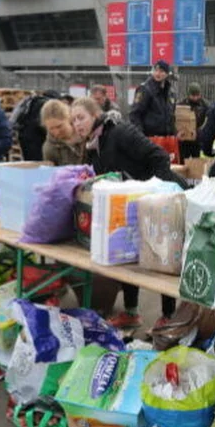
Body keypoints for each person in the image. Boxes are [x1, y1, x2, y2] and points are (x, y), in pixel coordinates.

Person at [71, 97, 182, 329]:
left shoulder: (120, 132)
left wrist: (156, 194)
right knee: (128, 256)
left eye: (80, 117)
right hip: (131, 207)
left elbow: (160, 157)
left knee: (162, 256)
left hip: (160, 202)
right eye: (73, 121)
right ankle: (131, 313)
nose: (77, 124)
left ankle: (169, 316)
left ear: (95, 114)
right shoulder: (93, 146)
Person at [11, 90, 65, 162]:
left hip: (25, 136)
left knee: (30, 163)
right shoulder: (45, 105)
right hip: (35, 140)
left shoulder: (34, 101)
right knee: (38, 164)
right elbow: (43, 125)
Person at [130, 59, 176, 138]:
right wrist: (140, 136)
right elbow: (135, 114)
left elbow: (171, 116)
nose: (158, 73)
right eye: (156, 70)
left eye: (161, 71)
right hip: (149, 138)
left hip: (167, 138)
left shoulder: (170, 93)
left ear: (167, 74)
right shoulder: (145, 89)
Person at [40, 99, 85, 166]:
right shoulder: (49, 149)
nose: (56, 132)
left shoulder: (87, 135)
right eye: (51, 128)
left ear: (68, 118)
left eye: (59, 126)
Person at [178, 82, 209, 160]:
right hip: (184, 139)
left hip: (197, 139)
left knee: (196, 161)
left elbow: (208, 120)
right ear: (189, 94)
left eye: (197, 95)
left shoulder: (205, 105)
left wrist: (199, 131)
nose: (195, 97)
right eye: (193, 95)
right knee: (183, 161)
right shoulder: (181, 104)